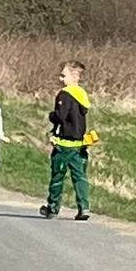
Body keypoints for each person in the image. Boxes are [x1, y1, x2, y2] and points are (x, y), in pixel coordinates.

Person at [41, 59, 93, 221]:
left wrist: (52, 116)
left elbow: (61, 116)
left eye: (63, 76)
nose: (60, 79)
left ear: (74, 77)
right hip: (79, 145)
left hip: (63, 145)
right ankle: (83, 207)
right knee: (80, 177)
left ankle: (52, 207)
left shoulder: (64, 94)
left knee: (58, 176)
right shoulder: (82, 95)